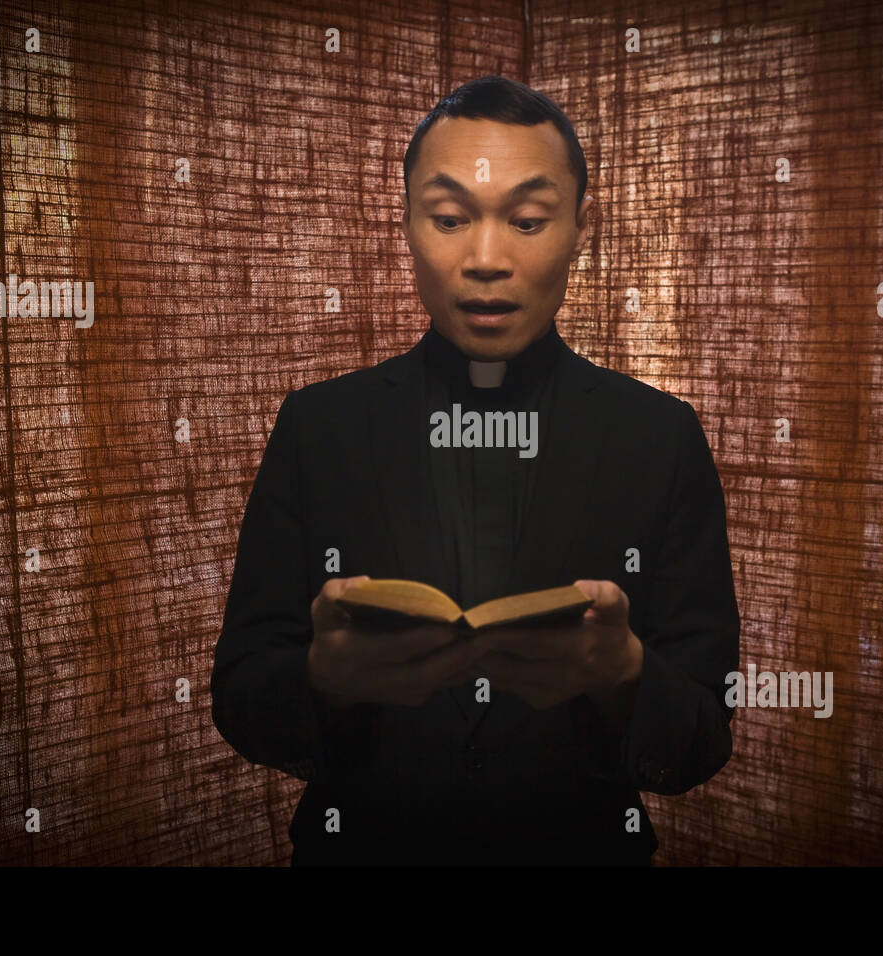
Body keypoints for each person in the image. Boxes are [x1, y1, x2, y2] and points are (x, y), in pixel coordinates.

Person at [211, 74, 740, 865]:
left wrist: (626, 672)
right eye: (451, 217)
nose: (487, 259)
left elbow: (702, 736)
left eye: (528, 219)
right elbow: (241, 696)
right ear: (407, 223)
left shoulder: (660, 437)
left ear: (581, 227)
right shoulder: (318, 427)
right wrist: (324, 678)